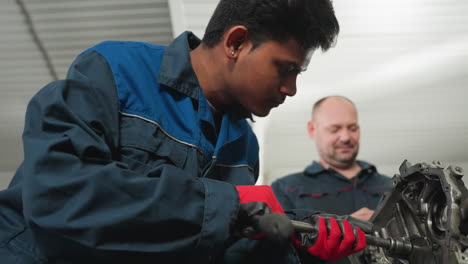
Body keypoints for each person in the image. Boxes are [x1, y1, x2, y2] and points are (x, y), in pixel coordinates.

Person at [0, 1, 367, 263]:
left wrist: (296, 242)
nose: (291, 89)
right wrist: (233, 206)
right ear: (236, 43)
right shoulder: (115, 71)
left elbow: (209, 246)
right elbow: (59, 197)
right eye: (284, 68)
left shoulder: (243, 147)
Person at [272, 95, 393, 263]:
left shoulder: (393, 187)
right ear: (312, 130)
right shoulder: (285, 189)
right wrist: (339, 231)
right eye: (334, 129)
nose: (345, 137)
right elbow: (277, 253)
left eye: (352, 128)